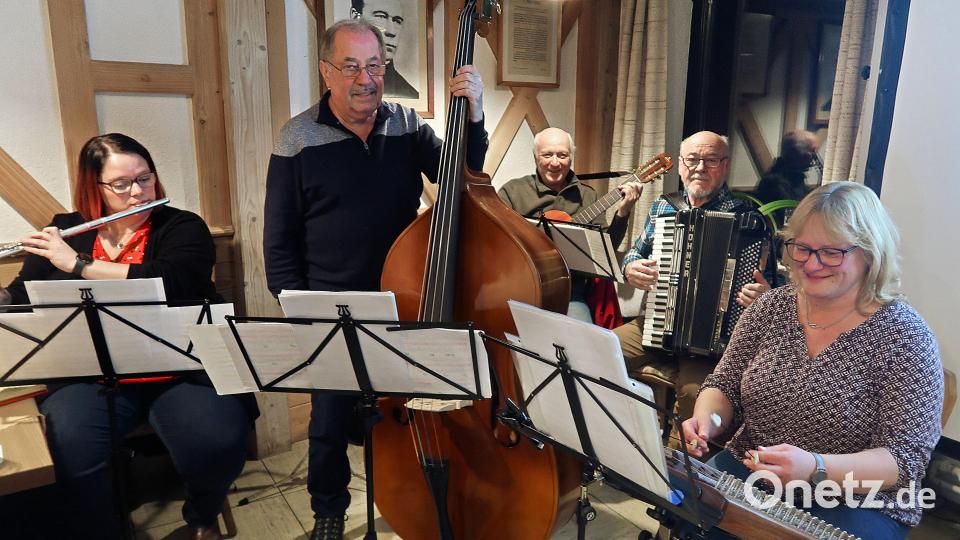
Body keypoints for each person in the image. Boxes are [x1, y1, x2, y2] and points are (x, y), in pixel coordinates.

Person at [263, 19, 487, 540]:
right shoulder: (296, 138)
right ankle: (328, 508)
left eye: (374, 66)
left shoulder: (407, 124)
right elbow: (278, 238)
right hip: (330, 303)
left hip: (403, 299)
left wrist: (472, 114)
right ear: (326, 72)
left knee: (409, 411)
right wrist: (296, 306)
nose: (365, 79)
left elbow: (464, 174)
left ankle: (412, 495)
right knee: (327, 421)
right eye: (350, 67)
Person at [0, 133, 255, 540]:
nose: (137, 192)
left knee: (216, 442)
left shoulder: (181, 225)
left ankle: (201, 517)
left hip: (179, 368)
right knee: (69, 450)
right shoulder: (66, 229)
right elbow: (23, 293)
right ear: (94, 186)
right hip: (91, 372)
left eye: (145, 179)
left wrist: (79, 266)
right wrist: (4, 296)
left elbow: (174, 280)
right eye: (121, 184)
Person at [682, 181, 943, 539]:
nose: (812, 263)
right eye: (802, 248)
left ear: (869, 253)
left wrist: (816, 468)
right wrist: (706, 421)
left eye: (831, 252)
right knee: (685, 514)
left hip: (856, 497)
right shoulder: (771, 307)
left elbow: (904, 459)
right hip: (753, 467)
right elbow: (723, 386)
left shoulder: (905, 336)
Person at [614, 131, 770, 438]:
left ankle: (679, 476)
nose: (700, 167)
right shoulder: (663, 207)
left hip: (711, 342)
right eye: (692, 159)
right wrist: (631, 267)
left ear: (725, 166)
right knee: (592, 354)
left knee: (695, 396)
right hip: (655, 323)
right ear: (681, 165)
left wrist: (762, 295)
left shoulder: (747, 220)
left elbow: (775, 291)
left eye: (711, 160)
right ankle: (622, 441)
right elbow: (633, 253)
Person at [497, 127, 643, 323]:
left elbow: (607, 247)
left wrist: (624, 211)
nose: (555, 162)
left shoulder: (588, 196)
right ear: (535, 157)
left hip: (570, 293)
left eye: (562, 155)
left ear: (571, 157)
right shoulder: (513, 192)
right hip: (521, 288)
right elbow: (497, 241)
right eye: (547, 154)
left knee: (581, 345)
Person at [351, 0, 418, 99]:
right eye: (381, 16)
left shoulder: (409, 93)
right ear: (356, 18)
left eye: (397, 21)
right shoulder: (338, 84)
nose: (392, 31)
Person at [755, 129, 820, 229]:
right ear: (797, 152)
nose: (814, 157)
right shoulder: (774, 183)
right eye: (812, 151)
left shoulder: (794, 178)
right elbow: (789, 217)